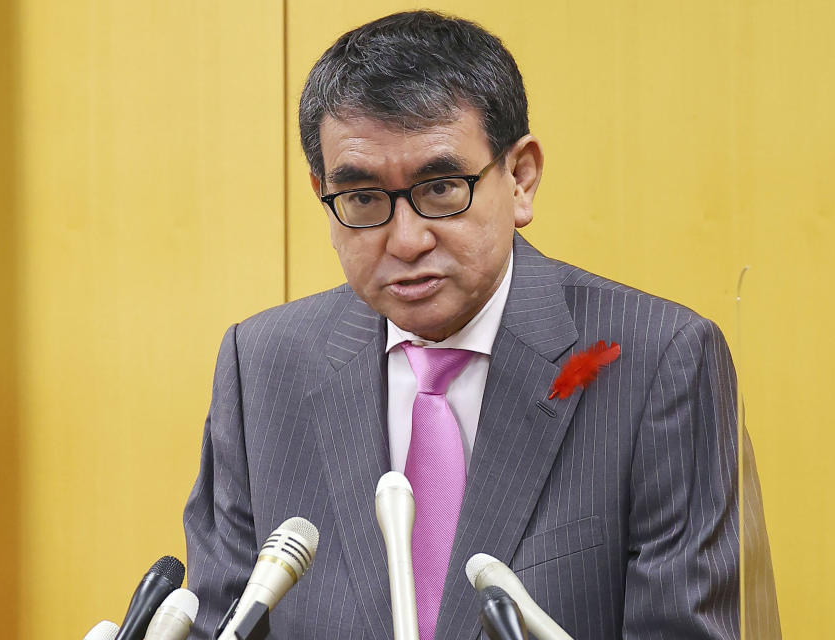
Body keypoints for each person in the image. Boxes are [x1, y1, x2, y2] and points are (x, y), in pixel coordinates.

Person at [185, 10, 771, 639]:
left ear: (520, 178)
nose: (405, 240)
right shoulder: (263, 365)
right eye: (362, 199)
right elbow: (225, 620)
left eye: (440, 188)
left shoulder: (656, 361)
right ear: (323, 192)